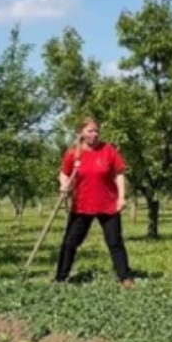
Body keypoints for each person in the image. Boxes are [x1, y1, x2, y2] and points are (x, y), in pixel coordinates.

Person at [55, 118, 136, 288]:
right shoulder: (74, 153)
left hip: (108, 205)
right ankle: (61, 278)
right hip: (82, 205)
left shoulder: (108, 150)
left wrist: (121, 197)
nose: (94, 134)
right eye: (90, 131)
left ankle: (126, 278)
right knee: (70, 243)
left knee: (115, 242)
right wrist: (64, 185)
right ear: (81, 133)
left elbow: (119, 174)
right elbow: (64, 173)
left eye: (96, 130)